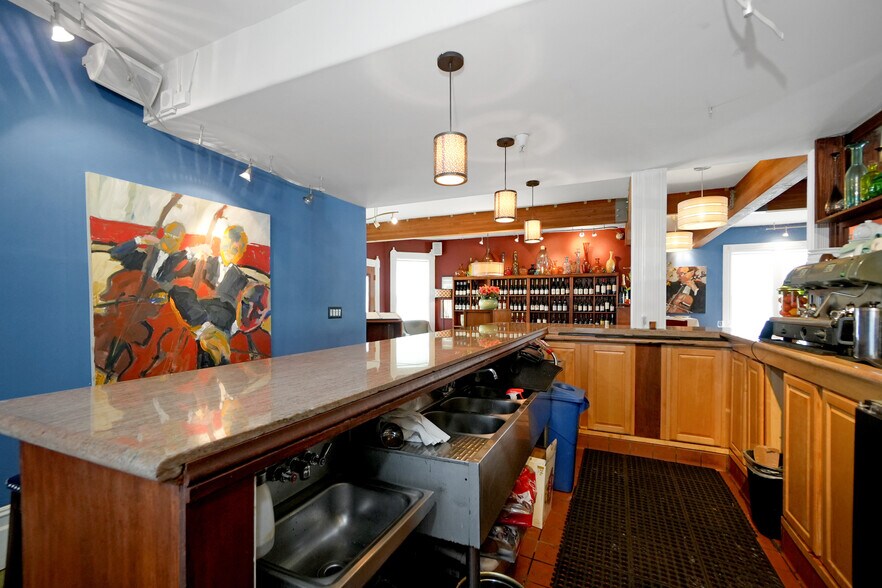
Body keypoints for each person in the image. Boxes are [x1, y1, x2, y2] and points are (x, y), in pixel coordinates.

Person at [170, 225, 262, 367]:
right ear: (221, 244)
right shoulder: (203, 262)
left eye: (235, 249)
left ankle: (212, 341)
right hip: (201, 315)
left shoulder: (241, 279)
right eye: (226, 245)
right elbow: (173, 273)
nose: (228, 251)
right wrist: (191, 253)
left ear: (241, 252)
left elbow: (247, 309)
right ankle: (208, 333)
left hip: (223, 321)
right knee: (179, 292)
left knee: (211, 353)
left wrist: (233, 328)